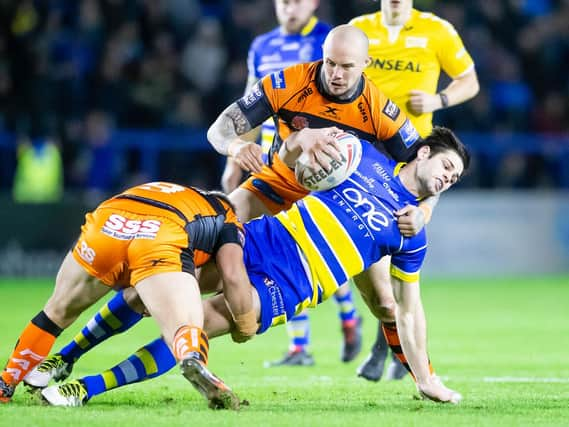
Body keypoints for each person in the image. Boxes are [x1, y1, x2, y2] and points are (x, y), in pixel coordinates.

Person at [37, 126, 469, 407]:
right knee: (143, 290)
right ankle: (65, 358)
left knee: (197, 325)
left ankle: (87, 389)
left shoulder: (412, 232)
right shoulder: (361, 156)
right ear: (424, 153)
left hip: (291, 284)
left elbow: (407, 308)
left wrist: (425, 376)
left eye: (456, 177)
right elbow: (298, 147)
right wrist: (305, 145)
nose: (449, 177)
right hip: (263, 238)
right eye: (447, 166)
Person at [208, 23, 435, 369]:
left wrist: (424, 210)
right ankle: (152, 292)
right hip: (279, 185)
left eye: (347, 66)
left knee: (387, 305)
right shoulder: (287, 82)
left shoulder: (379, 109)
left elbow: (426, 164)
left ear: (365, 63)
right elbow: (220, 128)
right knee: (210, 229)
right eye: (330, 63)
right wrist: (237, 146)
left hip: (338, 207)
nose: (336, 74)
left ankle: (421, 375)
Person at [0, 182, 255, 410]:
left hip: (109, 221)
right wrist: (244, 323)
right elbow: (232, 273)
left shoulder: (179, 191)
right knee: (184, 326)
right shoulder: (229, 217)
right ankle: (192, 359)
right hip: (160, 236)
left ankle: (6, 383)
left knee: (55, 312)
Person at [222, 0, 362, 367]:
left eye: (298, 0)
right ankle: (308, 342)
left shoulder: (327, 43)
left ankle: (346, 317)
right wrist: (234, 157)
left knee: (306, 245)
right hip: (274, 159)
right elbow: (250, 105)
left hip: (318, 160)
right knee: (282, 247)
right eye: (284, 0)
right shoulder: (261, 46)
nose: (290, 7)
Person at [350, 0, 480, 381]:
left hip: (414, 162)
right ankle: (386, 345)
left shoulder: (436, 29)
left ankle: (385, 350)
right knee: (369, 255)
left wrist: (439, 100)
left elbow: (469, 80)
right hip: (362, 156)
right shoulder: (360, 28)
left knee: (400, 245)